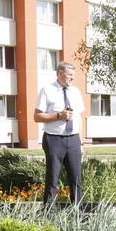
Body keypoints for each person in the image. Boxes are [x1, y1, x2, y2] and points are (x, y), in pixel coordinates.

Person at [34, 61, 85, 205]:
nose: (72, 78)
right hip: (54, 140)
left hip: (74, 139)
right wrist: (58, 116)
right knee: (52, 179)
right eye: (69, 75)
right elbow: (37, 117)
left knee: (76, 179)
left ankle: (78, 213)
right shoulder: (47, 90)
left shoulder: (75, 91)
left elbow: (78, 117)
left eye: (73, 75)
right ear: (60, 73)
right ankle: (49, 214)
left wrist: (80, 142)